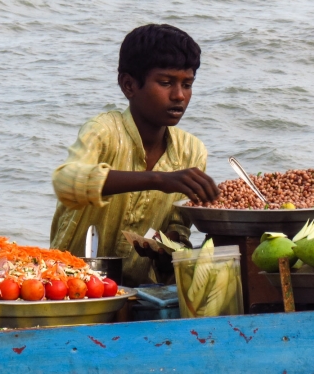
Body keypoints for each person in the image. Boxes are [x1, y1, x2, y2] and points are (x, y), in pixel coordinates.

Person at [50, 24, 219, 287]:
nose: (179, 95)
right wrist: (157, 179)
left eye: (187, 84)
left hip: (140, 293)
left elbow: (179, 226)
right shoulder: (104, 131)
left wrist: (166, 248)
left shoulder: (192, 151)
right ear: (129, 85)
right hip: (70, 285)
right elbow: (67, 182)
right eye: (166, 83)